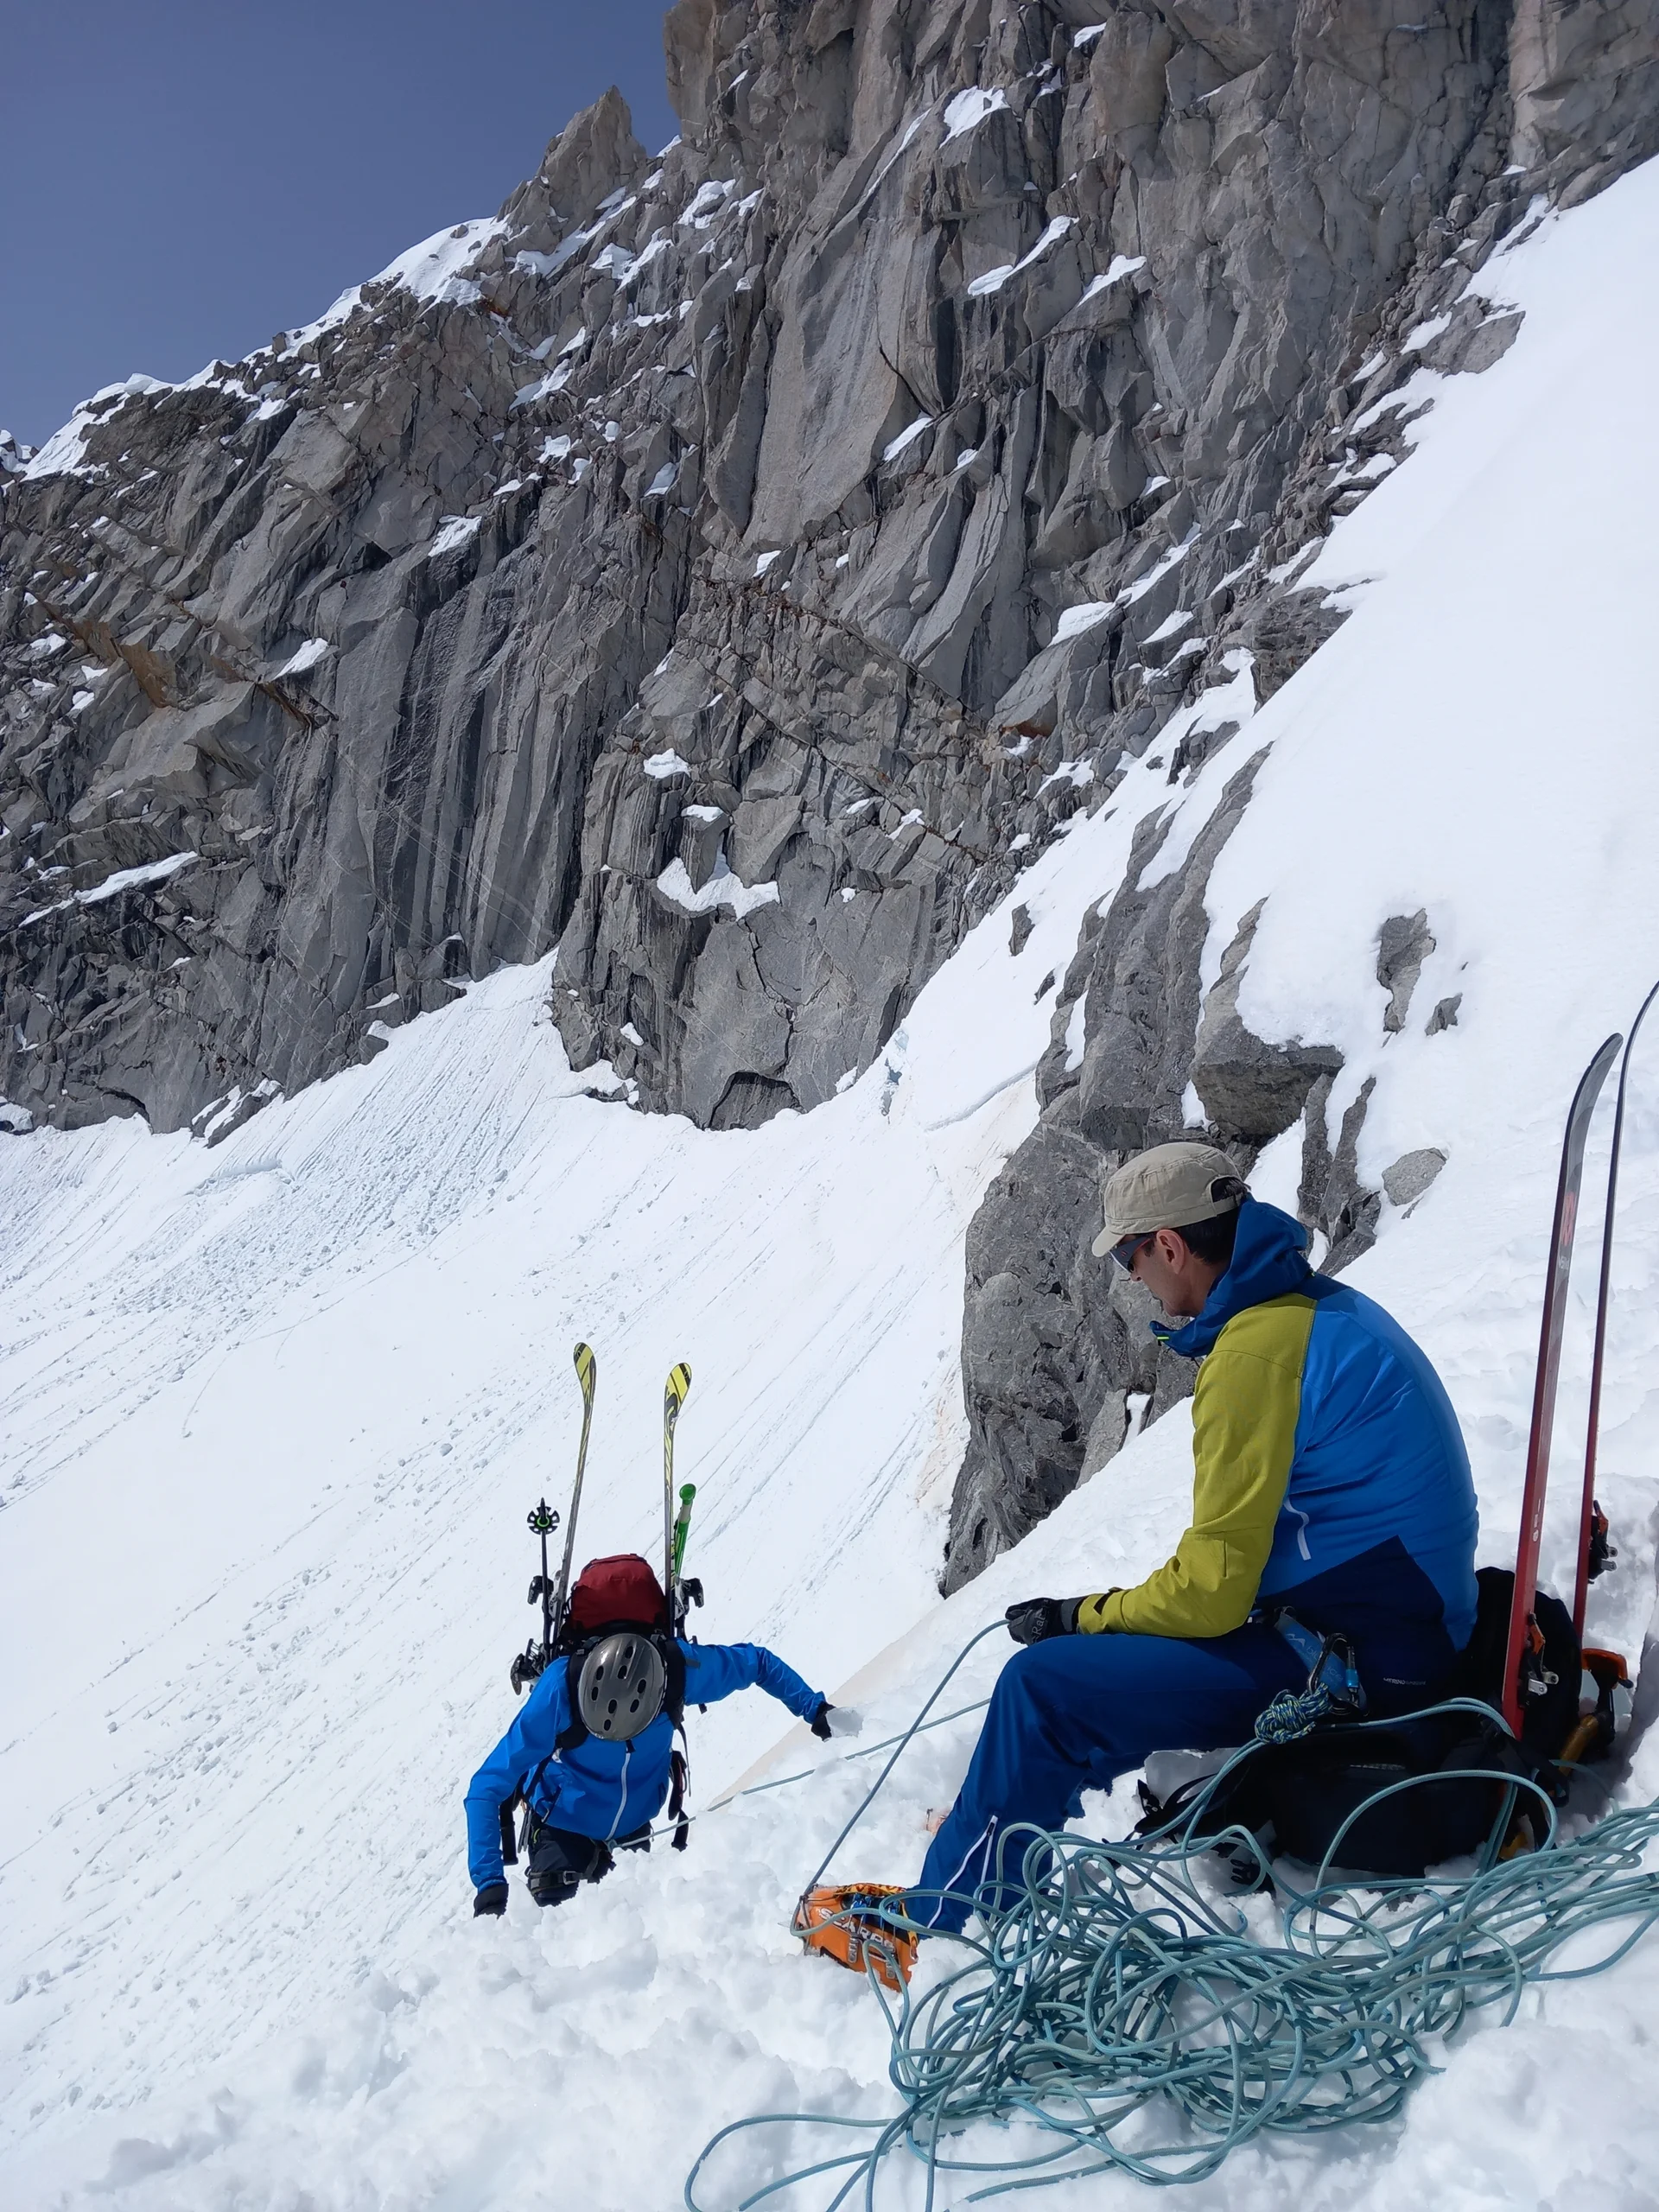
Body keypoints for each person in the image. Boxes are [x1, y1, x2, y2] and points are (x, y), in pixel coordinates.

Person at [805, 1140, 1478, 1955]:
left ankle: (944, 1927)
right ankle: (993, 1829)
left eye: (1130, 1257)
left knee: (1045, 1691)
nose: (1132, 1278)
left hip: (1366, 1661)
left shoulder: (1254, 1356)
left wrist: (1081, 1616)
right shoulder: (1314, 1309)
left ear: (1169, 1245)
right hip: (1394, 1623)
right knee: (1094, 1676)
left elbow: (1211, 1594)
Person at [467, 1550, 851, 1915]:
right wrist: (814, 1710)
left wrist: (491, 1888)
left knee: (584, 1939)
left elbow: (489, 1785)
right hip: (613, 1825)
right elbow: (756, 1664)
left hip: (578, 1823)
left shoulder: (567, 1685)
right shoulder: (674, 1669)